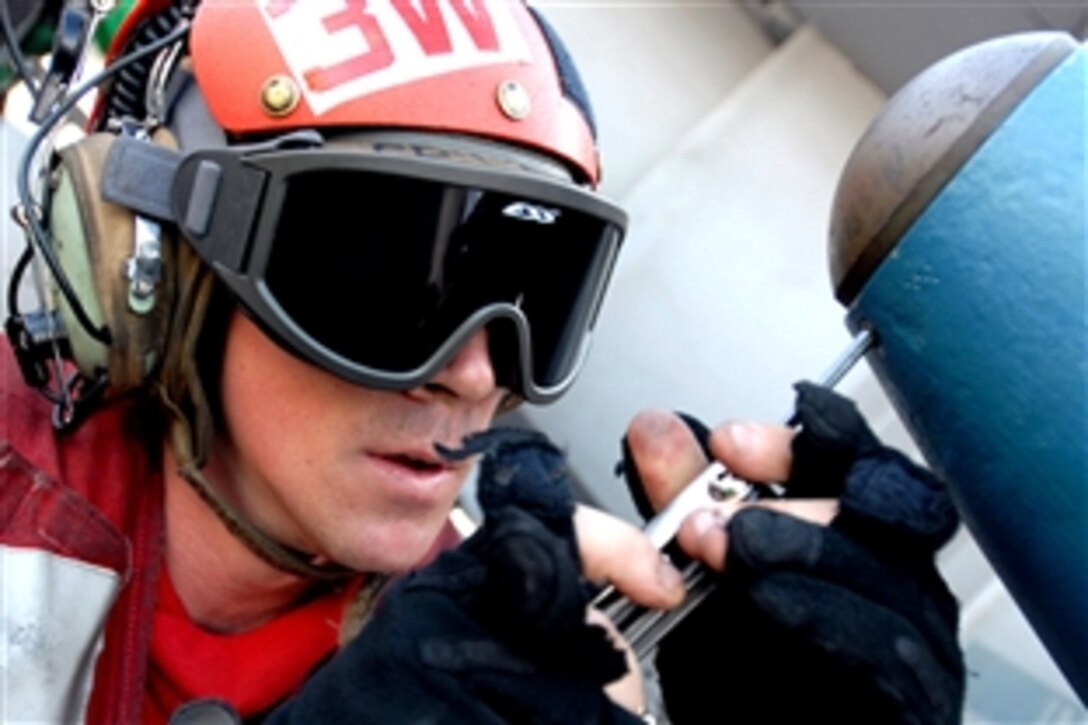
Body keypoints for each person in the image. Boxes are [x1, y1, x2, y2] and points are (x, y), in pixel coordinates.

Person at [0, 1, 965, 723]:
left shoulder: (498, 649)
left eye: (531, 294)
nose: (473, 375)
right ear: (157, 263)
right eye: (392, 282)